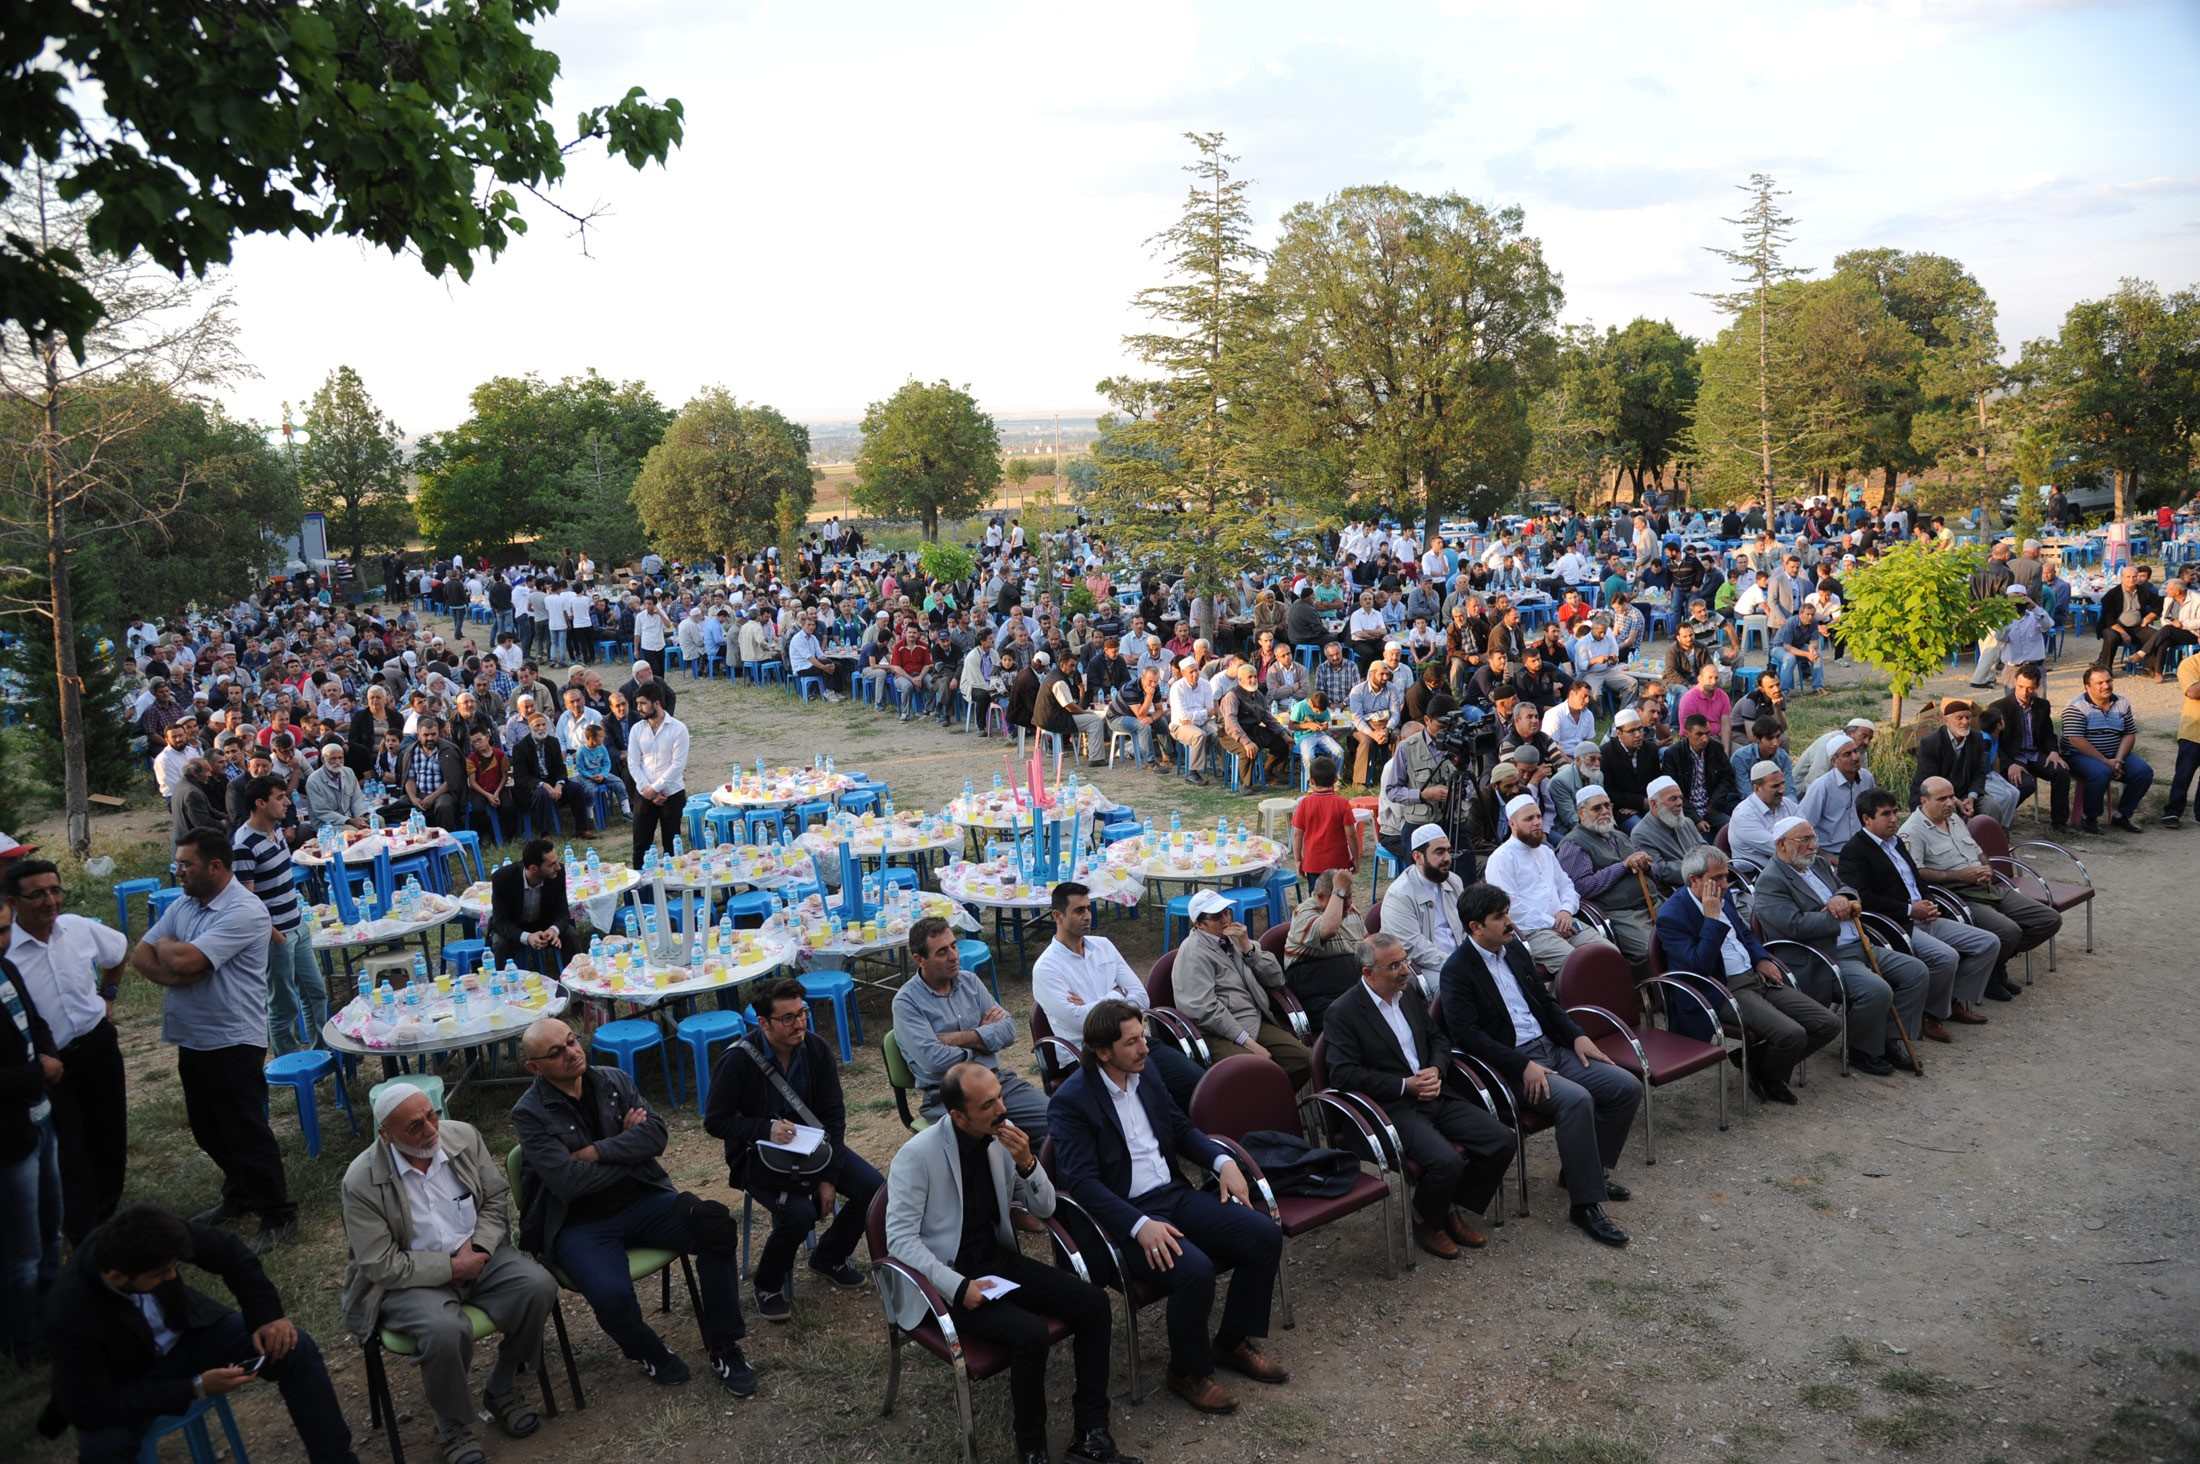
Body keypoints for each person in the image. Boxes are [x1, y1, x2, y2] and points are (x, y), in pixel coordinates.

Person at [883, 1061, 1137, 1464]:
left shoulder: (1003, 1140)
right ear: (957, 1115)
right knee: (1029, 1333)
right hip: (945, 1280)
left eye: (1000, 1096)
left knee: (1093, 1303)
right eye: (988, 1105)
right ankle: (1031, 1448)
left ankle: (1091, 1432)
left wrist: (1028, 1164)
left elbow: (1044, 1206)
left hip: (996, 1261)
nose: (1002, 1109)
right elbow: (898, 1239)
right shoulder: (917, 1156)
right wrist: (955, 1285)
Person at [1049, 1000, 1288, 1415]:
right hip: (1123, 1216)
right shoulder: (1072, 1101)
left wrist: (1223, 1161)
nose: (1145, 1047)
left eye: (1143, 1036)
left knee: (1262, 1233)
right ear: (1103, 1052)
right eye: (1133, 1042)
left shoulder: (1146, 1071)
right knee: (1193, 1270)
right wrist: (1140, 1225)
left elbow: (1179, 1128)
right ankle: (1187, 1372)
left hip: (1173, 1195)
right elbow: (1082, 1184)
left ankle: (1232, 1341)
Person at [512, 1018, 755, 1395]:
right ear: (534, 1067)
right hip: (580, 1223)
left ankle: (724, 1345)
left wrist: (596, 1151)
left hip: (643, 1200)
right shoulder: (528, 1113)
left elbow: (656, 1135)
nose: (571, 1054)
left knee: (715, 1223)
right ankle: (646, 1351)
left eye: (572, 1042)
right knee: (611, 1295)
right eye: (555, 1053)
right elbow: (567, 1182)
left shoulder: (612, 1080)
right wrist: (629, 1145)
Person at [340, 1087, 560, 1464]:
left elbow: (493, 1200)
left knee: (538, 1286)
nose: (429, 1129)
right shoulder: (361, 1181)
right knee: (444, 1330)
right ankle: (453, 1423)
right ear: (386, 1134)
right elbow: (379, 1263)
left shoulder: (462, 1137)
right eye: (414, 1126)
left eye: (432, 1115)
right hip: (411, 1277)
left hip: (477, 1255)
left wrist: (480, 1249)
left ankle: (502, 1384)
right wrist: (450, 1268)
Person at [43, 1204, 357, 1463]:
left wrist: (268, 1316)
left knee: (293, 1347)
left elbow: (229, 1252)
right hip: (125, 1378)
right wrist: (194, 1388)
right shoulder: (70, 1308)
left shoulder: (150, 1232)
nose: (172, 1276)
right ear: (116, 1276)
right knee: (104, 1450)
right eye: (160, 1274)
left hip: (188, 1335)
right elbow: (89, 1402)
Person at [1438, 884, 1640, 1247]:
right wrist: (1521, 1065)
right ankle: (1586, 1204)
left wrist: (1577, 1035)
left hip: (1551, 1046)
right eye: (1499, 918)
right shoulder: (1456, 970)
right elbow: (1467, 1036)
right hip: (1511, 1066)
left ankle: (1587, 1172)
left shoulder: (1514, 949)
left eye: (1507, 913)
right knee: (1576, 1100)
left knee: (1625, 1087)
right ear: (1475, 927)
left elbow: (1546, 1005)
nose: (1509, 923)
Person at [129, 829, 294, 1251]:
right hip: (194, 1035)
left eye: (186, 864)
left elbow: (187, 957)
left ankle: (277, 1213)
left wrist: (178, 955)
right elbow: (141, 956)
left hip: (233, 1037)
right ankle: (238, 1196)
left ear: (216, 866)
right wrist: (179, 969)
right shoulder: (186, 905)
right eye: (178, 864)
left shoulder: (245, 910)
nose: (178, 871)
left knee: (246, 1129)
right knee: (206, 1128)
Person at [1323, 933, 1513, 1259]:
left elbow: (1437, 1038)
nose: (1405, 971)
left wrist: (1436, 1070)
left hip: (1433, 1092)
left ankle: (1448, 1206)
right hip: (1391, 1107)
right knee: (1445, 1161)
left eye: (1405, 961)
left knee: (1501, 1139)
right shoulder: (1343, 1012)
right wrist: (1404, 1085)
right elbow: (1343, 1074)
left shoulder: (1407, 993)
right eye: (1394, 965)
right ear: (1368, 973)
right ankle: (1427, 1221)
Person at [703, 978, 880, 1323]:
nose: (800, 1023)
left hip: (816, 1151)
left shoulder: (816, 1049)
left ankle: (829, 1256)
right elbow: (715, 1121)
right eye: (788, 1018)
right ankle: (767, 1284)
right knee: (800, 1213)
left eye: (802, 1013)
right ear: (763, 1022)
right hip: (757, 1158)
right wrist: (763, 1128)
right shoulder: (737, 1062)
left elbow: (834, 1116)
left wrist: (829, 1177)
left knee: (874, 1189)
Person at [3, 863, 127, 1246]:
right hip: (53, 1064)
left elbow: (118, 953)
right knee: (70, 1151)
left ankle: (107, 1215)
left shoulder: (76, 928)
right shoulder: (8, 953)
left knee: (110, 1136)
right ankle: (84, 1236)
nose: (50, 901)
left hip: (97, 1046)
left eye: (55, 890)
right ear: (13, 902)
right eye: (37, 894)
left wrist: (107, 996)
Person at [1653, 848, 1839, 1104]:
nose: (1725, 885)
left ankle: (1756, 1063)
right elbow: (1699, 967)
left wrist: (1761, 958)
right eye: (1716, 878)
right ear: (1694, 880)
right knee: (1792, 1034)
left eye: (1726, 877)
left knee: (1828, 1023)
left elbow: (1745, 934)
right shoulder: (1672, 915)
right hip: (1721, 989)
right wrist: (1711, 919)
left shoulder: (1724, 895)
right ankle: (1770, 1077)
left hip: (1754, 976)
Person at [1750, 817, 1926, 1076]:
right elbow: (1793, 926)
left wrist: (1843, 897)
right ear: (1781, 844)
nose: (1812, 846)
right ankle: (1861, 1049)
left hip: (1859, 943)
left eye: (1813, 838)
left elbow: (1846, 886)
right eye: (1804, 840)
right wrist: (1837, 914)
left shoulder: (1818, 864)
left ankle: (1890, 1039)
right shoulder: (1770, 881)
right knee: (1876, 990)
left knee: (1916, 971)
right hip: (1824, 956)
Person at [1838, 789, 2002, 1041]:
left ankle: (1951, 1001)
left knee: (1988, 942)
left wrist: (1929, 902)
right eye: (1885, 814)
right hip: (1896, 924)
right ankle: (1930, 1015)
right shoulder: (1855, 851)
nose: (1894, 819)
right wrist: (1909, 909)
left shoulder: (1896, 841)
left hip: (1924, 915)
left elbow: (1916, 879)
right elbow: (1863, 898)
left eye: (1894, 812)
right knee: (1945, 957)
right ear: (1866, 819)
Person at [1030, 884, 1201, 1109]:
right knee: (1156, 1100)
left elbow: (1141, 997)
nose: (1087, 916)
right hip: (1090, 1056)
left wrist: (1094, 1006)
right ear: (1057, 916)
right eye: (1079, 911)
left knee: (1197, 1083)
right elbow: (1080, 1022)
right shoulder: (1046, 968)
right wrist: (1116, 994)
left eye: (1089, 908)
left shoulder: (1104, 946)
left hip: (1135, 1042)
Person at [1901, 778, 2061, 999]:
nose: (1949, 803)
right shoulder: (1912, 831)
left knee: (2048, 919)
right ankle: (1990, 976)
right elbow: (1915, 872)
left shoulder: (1954, 819)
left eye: (1951, 796)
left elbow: (1977, 851)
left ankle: (1994, 966)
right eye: (1942, 799)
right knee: (2008, 931)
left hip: (1985, 886)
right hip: (1958, 894)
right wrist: (1959, 875)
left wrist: (1986, 867)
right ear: (1924, 800)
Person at [893, 917, 1052, 1131]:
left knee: (1056, 1119)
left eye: (953, 946)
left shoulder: (970, 982)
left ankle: (1038, 1164)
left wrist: (959, 1038)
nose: (953, 956)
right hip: (949, 1097)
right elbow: (933, 1061)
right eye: (942, 952)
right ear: (919, 959)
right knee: (991, 1144)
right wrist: (983, 1041)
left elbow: (1008, 1030)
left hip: (995, 1083)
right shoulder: (907, 1002)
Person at [0, 896, 62, 1364]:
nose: (3, 942)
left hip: (41, 1118)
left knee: (51, 1226)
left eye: (5, 931)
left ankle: (55, 1315)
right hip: (9, 1137)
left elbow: (34, 1021)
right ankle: (28, 1340)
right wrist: (37, 1072)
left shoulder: (7, 970)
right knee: (22, 1250)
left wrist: (46, 1052)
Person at [1169, 889, 1312, 1092]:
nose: (1225, 919)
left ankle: (1275, 1105)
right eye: (1217, 916)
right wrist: (1249, 1043)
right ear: (1199, 924)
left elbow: (1276, 979)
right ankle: (1256, 1113)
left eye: (1227, 912)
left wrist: (1248, 948)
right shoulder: (1192, 953)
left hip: (1253, 1019)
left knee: (1304, 1060)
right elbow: (1204, 1010)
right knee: (1256, 1073)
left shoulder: (1236, 939)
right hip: (1216, 1033)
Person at [229, 774, 326, 1058]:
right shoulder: (243, 845)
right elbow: (247, 901)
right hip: (276, 935)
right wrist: (274, 935)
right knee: (283, 1002)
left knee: (315, 992)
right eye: (280, 797)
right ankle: (290, 1059)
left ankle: (321, 1053)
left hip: (297, 924)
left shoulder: (278, 832)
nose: (287, 802)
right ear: (260, 803)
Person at [1484, 795, 1615, 979]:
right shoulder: (1501, 859)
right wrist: (1553, 922)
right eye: (1529, 819)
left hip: (1567, 922)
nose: (1537, 822)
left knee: (1609, 953)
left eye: (1538, 816)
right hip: (1532, 932)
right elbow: (1510, 908)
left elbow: (1567, 886)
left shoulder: (1546, 852)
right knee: (1579, 965)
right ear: (1512, 823)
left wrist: (1566, 911)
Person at [1555, 788, 1655, 964]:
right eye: (1597, 808)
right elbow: (1582, 887)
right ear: (1581, 813)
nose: (1604, 811)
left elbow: (1643, 863)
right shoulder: (1573, 844)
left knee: (1686, 932)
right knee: (1653, 949)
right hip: (1622, 914)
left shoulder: (1618, 834)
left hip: (1653, 902)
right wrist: (1623, 866)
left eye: (1607, 806)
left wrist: (1645, 864)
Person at [1378, 823, 1467, 997]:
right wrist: (1458, 964)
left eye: (1448, 851)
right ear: (1418, 857)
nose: (1448, 858)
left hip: (1460, 958)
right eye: (1439, 852)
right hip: (1425, 967)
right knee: (1460, 989)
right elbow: (1413, 948)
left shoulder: (1453, 881)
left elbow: (1465, 926)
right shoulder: (1400, 895)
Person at [2059, 666, 2150, 833]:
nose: (2106, 686)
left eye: (2108, 681)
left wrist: (2119, 759)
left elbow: (2129, 733)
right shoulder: (2076, 707)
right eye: (2099, 683)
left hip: (2114, 755)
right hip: (2079, 755)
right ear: (2087, 687)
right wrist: (2106, 762)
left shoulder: (2122, 703)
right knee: (2100, 772)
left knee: (2143, 772)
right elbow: (2076, 740)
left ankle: (2122, 815)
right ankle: (2090, 818)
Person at [1990, 667, 2071, 829]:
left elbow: (2048, 733)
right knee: (2026, 785)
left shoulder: (2042, 705)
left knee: (2061, 772)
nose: (2024, 692)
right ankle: (1997, 819)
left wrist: (2054, 751)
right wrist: (2008, 763)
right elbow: (1993, 742)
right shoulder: (1999, 707)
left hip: (2035, 754)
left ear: (2037, 687)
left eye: (2030, 688)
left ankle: (2059, 823)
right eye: (2020, 687)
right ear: (2015, 684)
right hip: (2013, 757)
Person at [488, 838, 577, 973]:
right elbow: (500, 922)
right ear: (533, 869)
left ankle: (576, 979)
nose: (558, 867)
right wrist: (527, 937)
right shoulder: (503, 878)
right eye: (552, 864)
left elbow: (563, 913)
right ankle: (505, 985)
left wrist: (554, 930)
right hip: (514, 926)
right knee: (500, 943)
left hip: (544, 924)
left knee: (570, 934)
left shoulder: (557, 873)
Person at [626, 688, 689, 864]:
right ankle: (641, 888)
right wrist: (647, 789)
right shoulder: (637, 729)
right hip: (644, 792)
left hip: (671, 793)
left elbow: (677, 765)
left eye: (643, 703)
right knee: (640, 844)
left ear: (657, 703)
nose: (639, 708)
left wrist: (655, 788)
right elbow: (633, 763)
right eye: (637, 703)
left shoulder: (678, 729)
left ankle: (673, 887)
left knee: (672, 845)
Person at [1660, 714, 1740, 835]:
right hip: (1685, 811)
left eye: (1707, 733)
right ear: (1687, 733)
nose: (1705, 739)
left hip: (1712, 807)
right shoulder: (1673, 754)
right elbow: (1673, 791)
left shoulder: (1715, 748)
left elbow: (1727, 778)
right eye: (1699, 734)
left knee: (1734, 830)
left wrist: (1713, 805)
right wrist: (1696, 819)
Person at [1798, 735, 1875, 859]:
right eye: (1847, 754)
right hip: (1831, 854)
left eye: (1855, 751)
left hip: (1863, 849)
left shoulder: (1867, 778)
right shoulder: (1821, 786)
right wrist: (1823, 855)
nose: (1855, 757)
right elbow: (1803, 825)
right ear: (1834, 761)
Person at [1288, 754, 1360, 884]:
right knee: (1339, 899)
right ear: (1335, 779)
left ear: (1312, 781)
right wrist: (1355, 858)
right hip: (1338, 862)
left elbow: (1297, 834)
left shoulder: (1304, 804)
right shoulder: (1343, 803)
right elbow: (1351, 835)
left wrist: (1298, 859)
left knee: (1317, 900)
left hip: (1313, 863)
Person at [1911, 698, 1989, 814]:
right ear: (1946, 720)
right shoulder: (1931, 743)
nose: (1965, 722)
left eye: (1968, 718)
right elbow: (1931, 780)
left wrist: (1972, 797)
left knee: (1991, 806)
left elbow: (1980, 772)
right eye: (1959, 718)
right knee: (1950, 811)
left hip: (1966, 794)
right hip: (1937, 794)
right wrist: (1954, 800)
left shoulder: (1976, 738)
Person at [398, 714, 466, 831]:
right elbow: (410, 778)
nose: (430, 738)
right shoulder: (411, 752)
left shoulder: (448, 750)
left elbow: (451, 781)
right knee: (400, 805)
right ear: (418, 735)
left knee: (443, 806)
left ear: (438, 733)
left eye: (433, 734)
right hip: (419, 793)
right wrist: (414, 798)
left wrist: (432, 798)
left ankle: (446, 840)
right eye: (426, 735)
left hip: (443, 793)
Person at [1600, 708, 1662, 822]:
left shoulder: (1650, 749)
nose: (1638, 735)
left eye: (1640, 729)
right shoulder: (1606, 753)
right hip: (1622, 809)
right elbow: (1608, 791)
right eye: (1632, 731)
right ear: (1619, 733)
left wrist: (1649, 802)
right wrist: (1639, 803)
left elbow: (1656, 781)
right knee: (1639, 827)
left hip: (1651, 803)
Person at [300, 742, 369, 828]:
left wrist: (360, 816)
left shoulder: (349, 772)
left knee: (377, 820)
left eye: (340, 758)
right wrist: (349, 821)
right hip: (327, 824)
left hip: (350, 818)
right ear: (323, 759)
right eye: (333, 758)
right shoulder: (313, 780)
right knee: (351, 830)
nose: (337, 762)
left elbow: (357, 798)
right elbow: (322, 812)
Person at [1771, 601, 1827, 693]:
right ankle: (1784, 690)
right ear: (1801, 614)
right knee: (1790, 658)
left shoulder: (1813, 622)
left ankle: (1818, 686)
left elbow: (1814, 642)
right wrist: (1807, 654)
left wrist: (1811, 649)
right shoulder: (1791, 622)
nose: (1810, 617)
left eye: (1812, 614)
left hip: (1798, 645)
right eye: (1808, 614)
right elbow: (1787, 647)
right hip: (1779, 647)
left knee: (1817, 655)